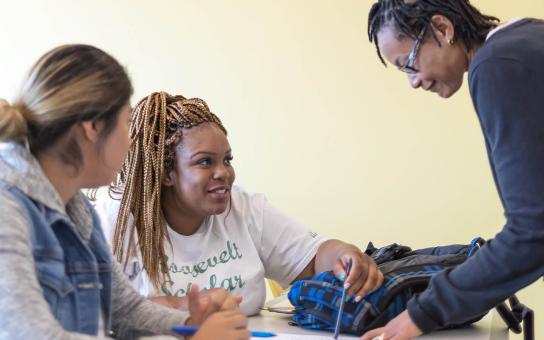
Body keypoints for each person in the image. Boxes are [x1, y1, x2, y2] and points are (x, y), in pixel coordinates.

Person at [0, 44, 248, 340]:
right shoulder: (7, 210)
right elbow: (30, 335)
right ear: (92, 127)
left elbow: (126, 310)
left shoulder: (77, 209)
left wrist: (191, 323)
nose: (132, 142)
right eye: (128, 122)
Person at [94, 91, 385, 316]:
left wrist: (344, 255)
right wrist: (182, 306)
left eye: (227, 160)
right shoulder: (113, 219)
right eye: (205, 161)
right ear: (167, 173)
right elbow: (87, 312)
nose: (224, 173)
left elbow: (310, 260)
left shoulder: (243, 208)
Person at [362, 1, 544, 339]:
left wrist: (420, 314)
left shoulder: (497, 66)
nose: (413, 82)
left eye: (408, 64)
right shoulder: (527, 39)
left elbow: (533, 230)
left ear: (444, 29)